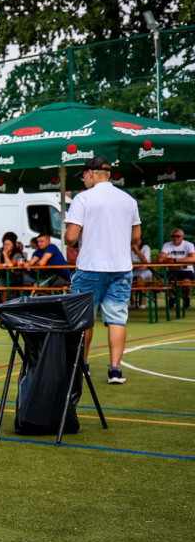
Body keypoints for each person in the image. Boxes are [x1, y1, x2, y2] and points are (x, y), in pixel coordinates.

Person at [64, 157, 141, 384]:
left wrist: (73, 241)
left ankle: (82, 365)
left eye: (84, 177)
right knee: (117, 317)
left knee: (83, 318)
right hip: (121, 267)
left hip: (90, 266)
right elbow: (136, 238)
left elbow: (70, 237)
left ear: (90, 173)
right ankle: (115, 370)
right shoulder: (128, 200)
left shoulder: (83, 198)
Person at [157, 228, 195, 309]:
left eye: (178, 236)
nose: (175, 238)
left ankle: (186, 298)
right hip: (172, 271)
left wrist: (175, 260)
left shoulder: (189, 245)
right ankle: (172, 298)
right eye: (173, 236)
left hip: (186, 271)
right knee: (162, 282)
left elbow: (193, 259)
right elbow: (160, 259)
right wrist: (165, 259)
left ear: (183, 237)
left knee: (186, 283)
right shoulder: (167, 245)